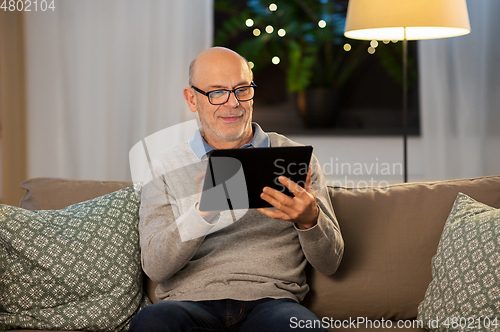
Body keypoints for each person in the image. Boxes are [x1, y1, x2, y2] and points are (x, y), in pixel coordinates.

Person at [129, 47, 344, 332]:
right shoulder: (165, 167)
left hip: (272, 303)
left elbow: (331, 263)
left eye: (242, 89)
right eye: (217, 92)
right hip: (189, 304)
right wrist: (202, 213)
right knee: (152, 322)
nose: (233, 103)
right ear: (192, 99)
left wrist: (309, 220)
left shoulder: (294, 158)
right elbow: (155, 267)